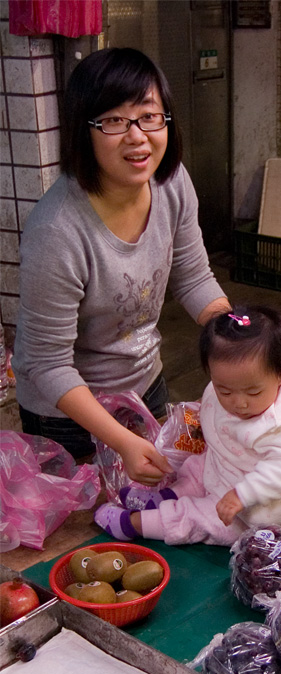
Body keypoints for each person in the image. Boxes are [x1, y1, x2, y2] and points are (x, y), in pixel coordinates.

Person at [12, 47, 230, 485]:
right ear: (83, 130)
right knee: (93, 535)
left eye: (149, 116)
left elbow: (193, 276)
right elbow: (44, 362)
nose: (137, 136)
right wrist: (121, 441)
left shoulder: (171, 182)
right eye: (114, 120)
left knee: (157, 508)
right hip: (68, 416)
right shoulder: (58, 230)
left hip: (146, 383)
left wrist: (245, 339)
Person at [94, 305, 281, 546]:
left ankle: (136, 524)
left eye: (253, 392)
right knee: (197, 467)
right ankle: (165, 497)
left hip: (262, 502)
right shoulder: (237, 380)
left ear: (280, 375)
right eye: (224, 390)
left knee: (202, 518)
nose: (238, 403)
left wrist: (241, 496)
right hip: (228, 465)